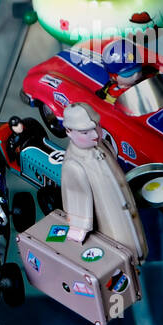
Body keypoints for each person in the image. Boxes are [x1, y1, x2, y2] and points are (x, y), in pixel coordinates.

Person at [59, 103, 148, 258]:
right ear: (69, 131)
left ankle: (140, 256)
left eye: (97, 127)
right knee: (123, 250)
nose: (95, 134)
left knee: (136, 239)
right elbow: (77, 200)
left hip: (126, 205)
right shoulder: (74, 165)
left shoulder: (102, 144)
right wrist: (78, 231)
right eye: (85, 132)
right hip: (110, 220)